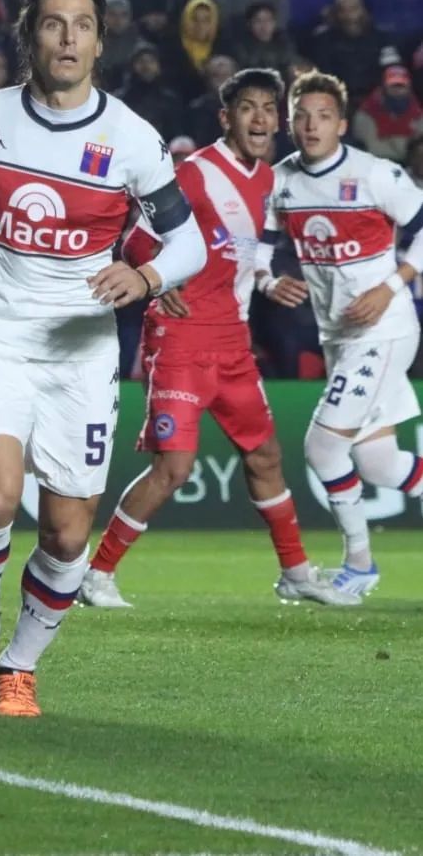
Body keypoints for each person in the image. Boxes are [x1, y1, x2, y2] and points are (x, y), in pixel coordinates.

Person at [0, 0, 205, 718]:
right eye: (53, 23)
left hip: (82, 354)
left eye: (82, 25)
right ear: (29, 37)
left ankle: (21, 665)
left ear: (99, 40)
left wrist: (147, 275)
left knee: (65, 534)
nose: (67, 37)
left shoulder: (130, 140)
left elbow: (188, 242)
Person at [80, 68, 357, 609]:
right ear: (226, 118)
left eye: (268, 109)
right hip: (180, 340)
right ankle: (96, 575)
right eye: (248, 108)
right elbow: (136, 238)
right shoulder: (194, 173)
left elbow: (247, 250)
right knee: (173, 469)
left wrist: (268, 282)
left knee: (265, 457)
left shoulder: (266, 181)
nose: (260, 118)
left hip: (232, 343)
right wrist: (155, 289)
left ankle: (296, 572)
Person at [256, 71, 423, 598]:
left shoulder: (375, 175)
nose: (311, 125)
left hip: (385, 328)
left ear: (342, 124)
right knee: (378, 463)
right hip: (340, 336)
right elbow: (259, 250)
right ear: (290, 123)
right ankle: (359, 565)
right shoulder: (281, 183)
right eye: (302, 116)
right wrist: (267, 280)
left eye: (323, 116)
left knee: (323, 448)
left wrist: (393, 284)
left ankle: (359, 567)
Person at [350, 64, 423, 163]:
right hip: (376, 164)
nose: (397, 90)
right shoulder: (366, 114)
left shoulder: (418, 115)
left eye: (401, 86)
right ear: (384, 86)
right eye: (393, 86)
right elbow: (364, 146)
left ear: (409, 87)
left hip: (410, 166)